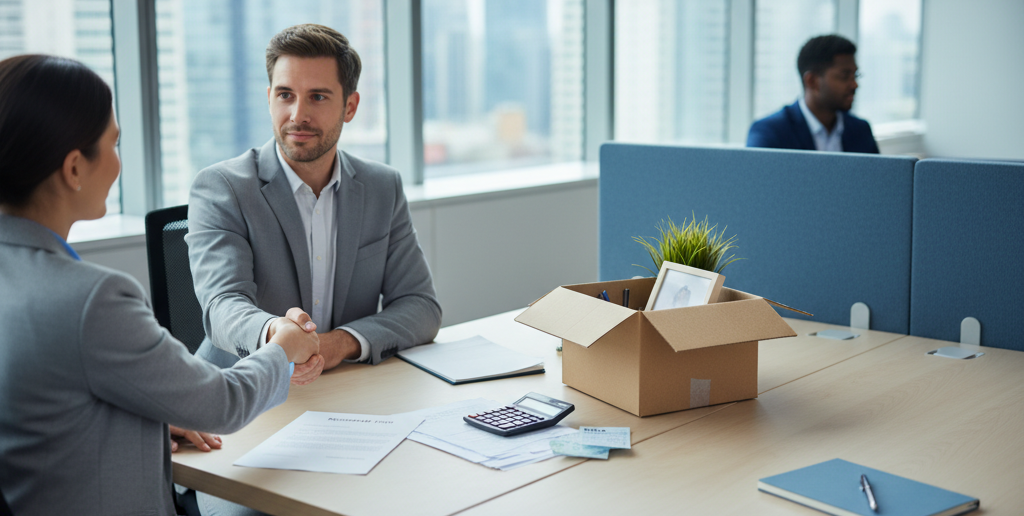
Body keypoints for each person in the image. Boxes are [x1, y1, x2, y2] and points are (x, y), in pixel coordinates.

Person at [0, 55, 320, 516]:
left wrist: (149, 418)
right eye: (113, 143)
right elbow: (223, 403)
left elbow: (42, 411)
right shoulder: (92, 300)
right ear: (73, 169)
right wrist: (283, 347)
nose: (117, 163)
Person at [187, 24, 441, 383]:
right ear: (269, 97)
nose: (297, 115)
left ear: (350, 106)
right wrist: (279, 335)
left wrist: (338, 344)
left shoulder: (382, 187)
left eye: (318, 97)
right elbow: (222, 306)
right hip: (238, 393)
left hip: (340, 388)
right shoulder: (222, 188)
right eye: (285, 95)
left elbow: (421, 307)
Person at [747, 34, 880, 153]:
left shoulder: (860, 130)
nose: (854, 84)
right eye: (845, 76)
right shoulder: (770, 132)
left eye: (855, 75)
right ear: (812, 81)